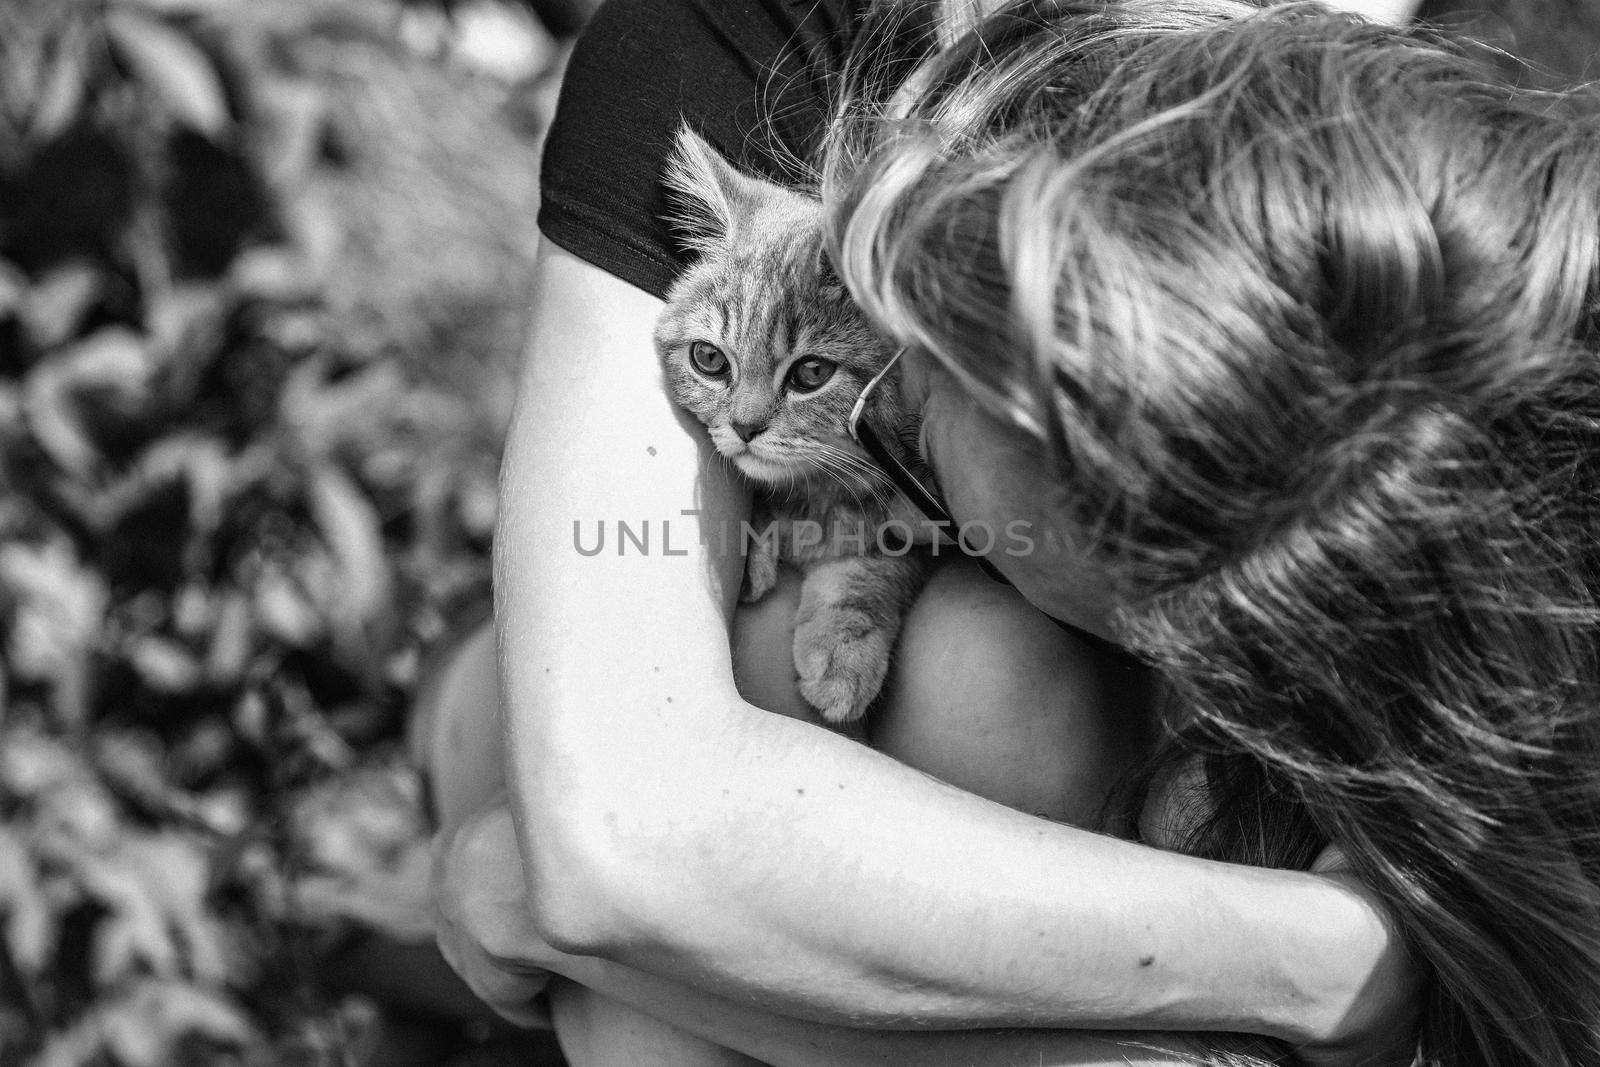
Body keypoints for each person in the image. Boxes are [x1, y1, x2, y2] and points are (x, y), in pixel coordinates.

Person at [427, 0, 1600, 1064]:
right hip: (513, 717)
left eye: (918, 440)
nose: (902, 393)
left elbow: (613, 874)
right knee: (960, 689)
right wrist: (1318, 965)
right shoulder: (740, 45)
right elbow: (623, 826)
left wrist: (567, 901)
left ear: (1185, 611)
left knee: (988, 702)